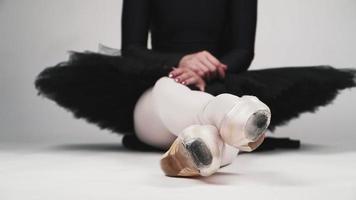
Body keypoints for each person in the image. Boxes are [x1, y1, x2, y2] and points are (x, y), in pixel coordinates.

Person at [34, 0, 355, 177]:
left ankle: (202, 148)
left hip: (217, 81)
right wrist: (183, 62)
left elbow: (243, 51)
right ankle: (229, 117)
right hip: (160, 82)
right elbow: (132, 50)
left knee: (200, 118)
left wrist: (208, 70)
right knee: (165, 88)